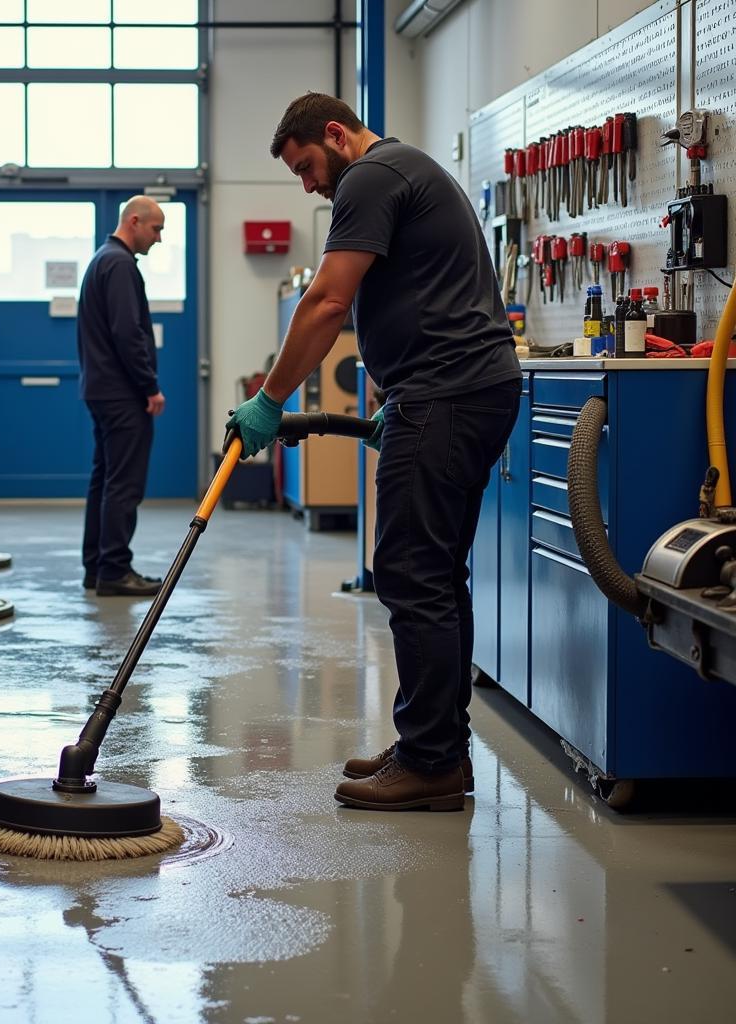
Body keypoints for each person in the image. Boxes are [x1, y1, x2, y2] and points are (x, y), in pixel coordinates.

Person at [227, 93, 521, 811]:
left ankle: (429, 761)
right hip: (458, 390)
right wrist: (400, 397)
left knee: (409, 570)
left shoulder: (371, 176)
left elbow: (327, 302)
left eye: (305, 166)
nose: (308, 186)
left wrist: (272, 398)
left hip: (448, 394)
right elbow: (428, 295)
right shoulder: (409, 172)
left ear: (335, 135)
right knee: (438, 574)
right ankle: (437, 747)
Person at [78, 195, 167, 597]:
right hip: (122, 393)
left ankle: (97, 567)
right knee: (124, 483)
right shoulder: (118, 265)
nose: (159, 238)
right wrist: (149, 386)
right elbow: (127, 332)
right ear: (134, 221)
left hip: (101, 390)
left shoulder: (102, 260)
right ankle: (115, 569)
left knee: (105, 478)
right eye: (156, 229)